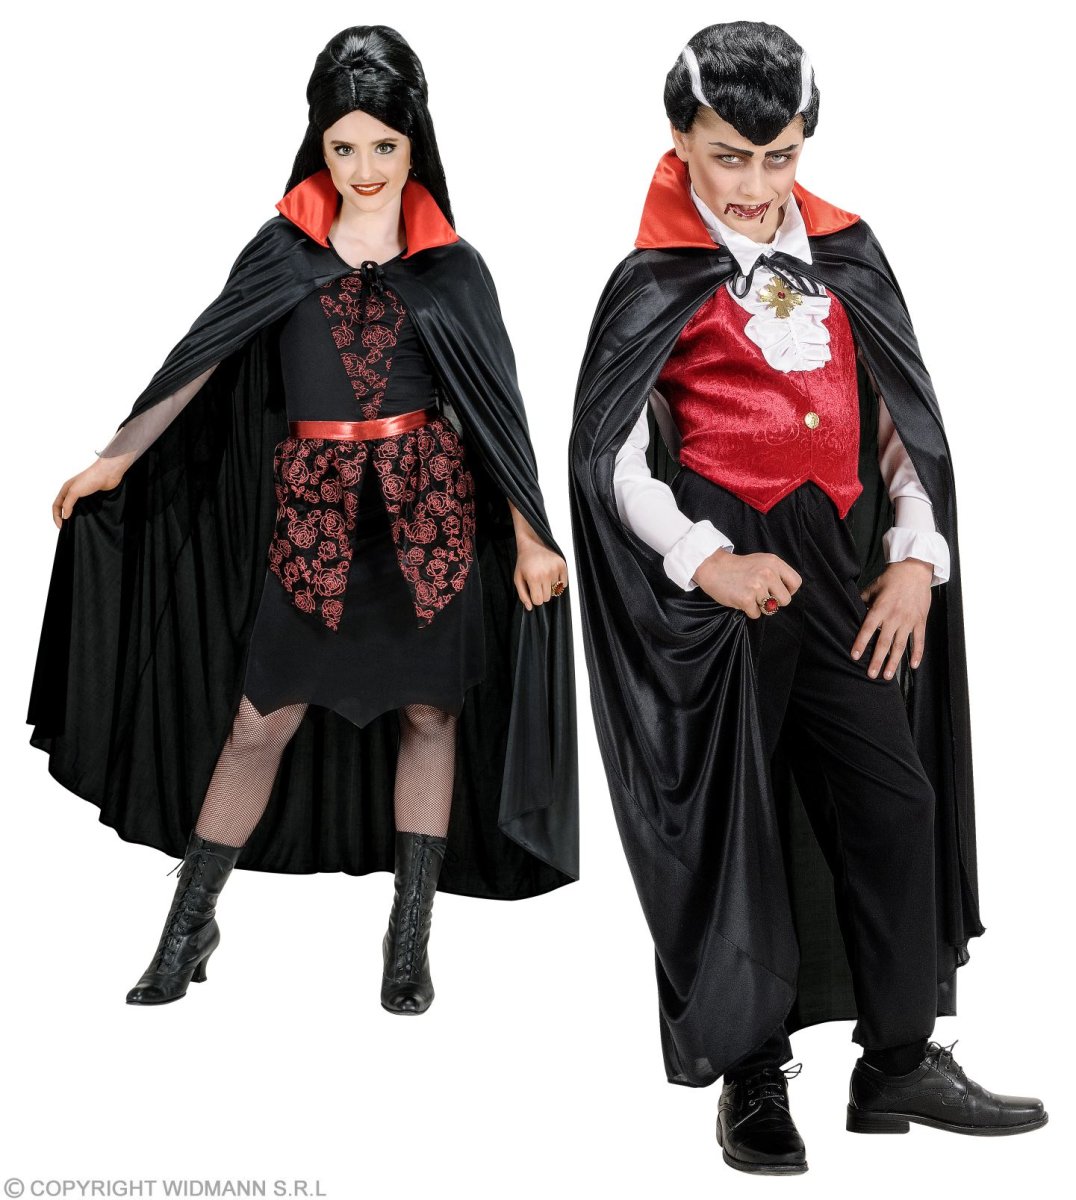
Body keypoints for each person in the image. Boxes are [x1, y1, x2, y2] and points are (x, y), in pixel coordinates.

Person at [568, 19, 1044, 1175]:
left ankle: (896, 1063)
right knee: (738, 825)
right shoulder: (650, 279)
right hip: (721, 590)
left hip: (838, 565)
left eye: (777, 155)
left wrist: (914, 554)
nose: (753, 183)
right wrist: (703, 559)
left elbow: (899, 423)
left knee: (894, 804)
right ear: (679, 141)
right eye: (728, 156)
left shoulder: (847, 253)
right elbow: (610, 458)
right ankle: (750, 1077)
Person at [28, 24, 577, 1015]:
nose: (364, 168)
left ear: (415, 143)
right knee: (260, 720)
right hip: (316, 521)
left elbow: (496, 407)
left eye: (384, 146)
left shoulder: (454, 266)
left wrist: (530, 536)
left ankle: (407, 944)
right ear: (318, 142)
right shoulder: (282, 249)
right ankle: (189, 926)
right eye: (343, 145)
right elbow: (201, 359)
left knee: (429, 713)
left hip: (426, 519)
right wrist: (117, 456)